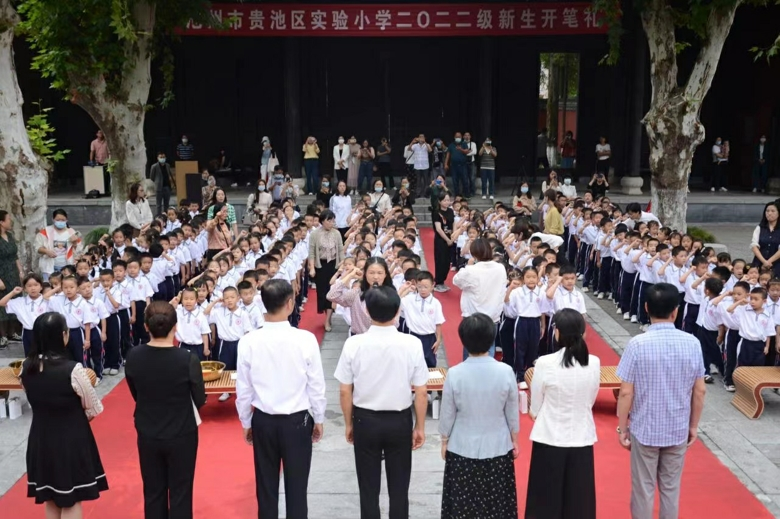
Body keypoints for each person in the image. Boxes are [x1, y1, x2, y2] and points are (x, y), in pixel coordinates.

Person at [334, 285, 428, 519]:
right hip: (399, 420)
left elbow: (345, 391)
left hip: (365, 419)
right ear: (398, 311)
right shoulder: (412, 343)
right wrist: (420, 427)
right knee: (399, 488)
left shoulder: (354, 344)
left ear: (366, 311)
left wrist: (348, 424)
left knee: (368, 486)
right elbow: (422, 391)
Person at [236, 279, 326, 519]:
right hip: (297, 421)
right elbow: (316, 384)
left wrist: (246, 422)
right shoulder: (305, 339)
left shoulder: (248, 341)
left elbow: (243, 388)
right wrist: (319, 418)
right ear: (290, 303)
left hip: (263, 420)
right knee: (297, 487)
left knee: (265, 486)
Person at [617, 283, 707, 519]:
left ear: (646, 308)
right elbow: (700, 391)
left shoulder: (637, 344)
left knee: (643, 488)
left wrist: (623, 428)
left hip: (645, 426)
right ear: (675, 311)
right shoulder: (692, 343)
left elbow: (626, 392)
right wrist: (693, 425)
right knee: (670, 488)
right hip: (677, 426)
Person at [22, 312, 108, 517]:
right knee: (72, 498)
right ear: (63, 335)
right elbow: (93, 408)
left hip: (40, 438)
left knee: (51, 497)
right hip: (71, 440)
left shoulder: (26, 367)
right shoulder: (73, 370)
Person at [125, 301, 205, 519]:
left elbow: (135, 392)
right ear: (175, 326)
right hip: (182, 432)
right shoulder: (187, 358)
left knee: (153, 491)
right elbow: (199, 397)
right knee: (181, 491)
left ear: (146, 326)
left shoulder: (133, 356)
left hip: (148, 430)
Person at [439, 312, 519, 519]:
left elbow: (447, 412)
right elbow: (512, 410)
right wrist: (514, 439)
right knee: (497, 505)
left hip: (462, 446)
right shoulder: (506, 371)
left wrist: (444, 440)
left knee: (463, 505)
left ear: (463, 340)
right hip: (498, 445)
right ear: (492, 338)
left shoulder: (455, 373)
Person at [525, 309, 600, 519]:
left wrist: (534, 412)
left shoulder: (545, 362)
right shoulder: (593, 362)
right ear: (583, 333)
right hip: (581, 435)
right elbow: (591, 398)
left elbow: (536, 401)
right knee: (579, 499)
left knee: (545, 499)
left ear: (557, 332)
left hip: (549, 435)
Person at [453, 237, 508, 359]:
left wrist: (468, 265)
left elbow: (456, 281)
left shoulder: (471, 270)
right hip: (492, 317)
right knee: (489, 348)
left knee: (470, 349)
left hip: (473, 316)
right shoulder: (500, 268)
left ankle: (470, 377)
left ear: (473, 253)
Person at [327, 257, 395, 335]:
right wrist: (350, 275)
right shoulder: (356, 293)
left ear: (385, 274)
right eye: (371, 273)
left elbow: (395, 322)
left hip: (383, 339)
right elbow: (331, 295)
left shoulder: (391, 293)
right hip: (359, 337)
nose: (375, 277)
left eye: (380, 273)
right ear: (365, 273)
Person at [308, 210, 344, 332]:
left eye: (333, 220)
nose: (331, 223)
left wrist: (341, 266)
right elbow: (312, 252)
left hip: (333, 265)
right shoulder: (315, 234)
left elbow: (340, 250)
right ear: (322, 221)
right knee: (322, 293)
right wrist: (312, 267)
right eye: (329, 220)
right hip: (321, 266)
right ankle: (326, 314)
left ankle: (328, 319)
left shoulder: (337, 233)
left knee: (332, 291)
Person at [35, 209, 83, 282]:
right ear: (53, 219)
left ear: (66, 220)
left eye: (63, 220)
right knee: (50, 286)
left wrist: (75, 243)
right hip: (49, 266)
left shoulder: (72, 232)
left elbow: (79, 251)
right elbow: (37, 247)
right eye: (58, 220)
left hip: (66, 266)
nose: (60, 222)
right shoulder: (45, 232)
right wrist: (46, 251)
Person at [0, 210, 23, 348]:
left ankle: (13, 331)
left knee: (15, 300)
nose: (10, 221)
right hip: (2, 274)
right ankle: (2, 335)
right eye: (8, 219)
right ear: (1, 222)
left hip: (13, 273)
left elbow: (15, 256)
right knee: (2, 303)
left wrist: (20, 271)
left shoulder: (9, 235)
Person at [432, 192, 455, 292]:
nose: (446, 202)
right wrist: (447, 239)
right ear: (439, 201)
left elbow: (453, 223)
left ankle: (443, 281)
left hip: (451, 238)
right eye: (444, 200)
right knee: (440, 261)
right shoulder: (436, 212)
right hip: (441, 240)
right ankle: (438, 282)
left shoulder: (450, 211)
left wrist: (453, 236)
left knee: (447, 261)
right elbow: (438, 229)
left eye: (448, 200)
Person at [751, 202, 780, 278]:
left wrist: (769, 262)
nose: (769, 213)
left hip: (777, 264)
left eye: (773, 211)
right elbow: (754, 246)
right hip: (759, 262)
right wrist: (764, 262)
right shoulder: (760, 228)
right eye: (767, 211)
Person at [149, 151, 175, 216]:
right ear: (158, 158)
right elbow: (151, 177)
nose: (162, 158)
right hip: (159, 187)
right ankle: (159, 216)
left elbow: (169, 174)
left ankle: (166, 215)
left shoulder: (167, 165)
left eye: (163, 157)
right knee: (159, 204)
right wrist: (156, 183)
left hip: (167, 187)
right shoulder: (154, 166)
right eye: (161, 157)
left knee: (167, 204)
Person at [445, 132, 470, 197]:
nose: (458, 138)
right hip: (454, 166)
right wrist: (446, 164)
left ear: (461, 138)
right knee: (455, 181)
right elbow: (448, 155)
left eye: (459, 137)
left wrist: (460, 149)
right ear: (454, 137)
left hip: (463, 165)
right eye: (457, 137)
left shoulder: (464, 144)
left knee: (465, 180)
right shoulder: (451, 145)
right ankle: (457, 195)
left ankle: (466, 195)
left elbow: (467, 151)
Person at [409, 134, 432, 199]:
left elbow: (430, 150)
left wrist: (425, 142)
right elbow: (409, 149)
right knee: (418, 181)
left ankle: (426, 194)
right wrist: (412, 142)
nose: (421, 139)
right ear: (418, 138)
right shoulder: (415, 146)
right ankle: (418, 193)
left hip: (425, 166)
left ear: (424, 138)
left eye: (422, 137)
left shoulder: (427, 145)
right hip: (417, 166)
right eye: (420, 137)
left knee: (426, 181)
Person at [89, 129, 111, 194]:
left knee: (107, 177)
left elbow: (110, 152)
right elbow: (92, 151)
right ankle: (99, 191)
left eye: (102, 133)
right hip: (98, 161)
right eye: (99, 133)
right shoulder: (94, 142)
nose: (101, 134)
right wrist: (91, 160)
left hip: (106, 161)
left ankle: (107, 190)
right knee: (99, 177)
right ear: (97, 134)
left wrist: (110, 161)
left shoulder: (107, 142)